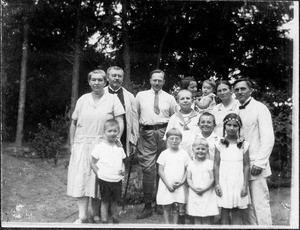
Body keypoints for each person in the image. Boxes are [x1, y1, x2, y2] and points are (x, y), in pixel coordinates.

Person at [67, 69, 125, 224]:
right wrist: (73, 143)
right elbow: (73, 123)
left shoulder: (112, 99)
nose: (97, 83)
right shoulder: (83, 99)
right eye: (93, 80)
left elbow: (120, 121)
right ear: (89, 82)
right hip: (82, 143)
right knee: (81, 179)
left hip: (102, 144)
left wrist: (116, 138)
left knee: (99, 179)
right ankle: (82, 216)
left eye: (100, 80)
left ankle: (95, 213)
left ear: (105, 82)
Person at [135, 69, 178, 219]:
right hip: (146, 133)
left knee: (163, 168)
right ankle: (147, 205)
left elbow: (175, 117)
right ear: (150, 80)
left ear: (164, 82)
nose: (157, 83)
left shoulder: (170, 98)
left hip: (164, 133)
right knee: (147, 169)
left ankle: (161, 203)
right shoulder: (141, 96)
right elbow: (135, 115)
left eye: (160, 80)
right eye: (155, 80)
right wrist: (135, 135)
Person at [233, 78, 275, 225]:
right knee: (246, 206)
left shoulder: (260, 108)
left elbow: (268, 138)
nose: (239, 92)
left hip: (256, 164)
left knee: (260, 204)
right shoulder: (235, 109)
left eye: (243, 89)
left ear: (250, 90)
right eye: (237, 89)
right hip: (239, 165)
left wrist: (260, 163)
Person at [214, 113, 251, 225]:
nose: (231, 128)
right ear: (224, 126)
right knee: (225, 209)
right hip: (224, 179)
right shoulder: (219, 144)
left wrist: (245, 185)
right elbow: (216, 164)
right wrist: (217, 184)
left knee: (236, 209)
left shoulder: (244, 144)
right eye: (229, 124)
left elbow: (246, 165)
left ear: (239, 127)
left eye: (235, 125)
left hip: (238, 180)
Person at [90, 119, 126, 224]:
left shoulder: (119, 147)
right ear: (104, 132)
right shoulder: (100, 147)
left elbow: (123, 160)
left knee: (114, 201)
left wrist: (123, 170)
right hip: (105, 179)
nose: (112, 133)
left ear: (118, 132)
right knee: (105, 201)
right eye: (109, 131)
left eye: (115, 131)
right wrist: (99, 173)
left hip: (117, 179)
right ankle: (105, 222)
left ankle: (115, 219)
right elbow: (92, 162)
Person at [156, 128, 190, 224]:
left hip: (179, 185)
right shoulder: (164, 154)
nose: (174, 141)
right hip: (166, 185)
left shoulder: (184, 153)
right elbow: (160, 171)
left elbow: (188, 169)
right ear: (167, 139)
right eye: (171, 138)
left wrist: (182, 182)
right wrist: (168, 185)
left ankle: (175, 226)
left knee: (176, 207)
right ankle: (168, 225)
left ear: (181, 140)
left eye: (177, 138)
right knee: (167, 207)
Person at [105, 66, 139, 156]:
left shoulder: (129, 96)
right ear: (107, 77)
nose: (117, 78)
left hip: (123, 137)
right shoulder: (101, 94)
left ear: (123, 78)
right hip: (103, 136)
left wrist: (133, 140)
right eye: (114, 75)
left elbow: (134, 120)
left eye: (119, 76)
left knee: (121, 164)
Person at [186, 137, 219, 225]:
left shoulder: (209, 163)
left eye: (203, 149)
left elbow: (212, 179)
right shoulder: (191, 164)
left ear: (207, 150)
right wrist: (194, 188)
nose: (200, 151)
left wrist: (204, 189)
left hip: (207, 193)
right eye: (198, 148)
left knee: (207, 217)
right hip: (195, 193)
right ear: (193, 150)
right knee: (196, 217)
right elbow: (188, 178)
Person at [165, 89, 200, 158]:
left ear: (192, 101)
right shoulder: (174, 118)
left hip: (195, 152)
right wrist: (169, 155)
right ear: (178, 102)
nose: (185, 100)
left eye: (188, 98)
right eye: (182, 99)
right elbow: (168, 138)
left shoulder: (198, 117)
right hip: (177, 152)